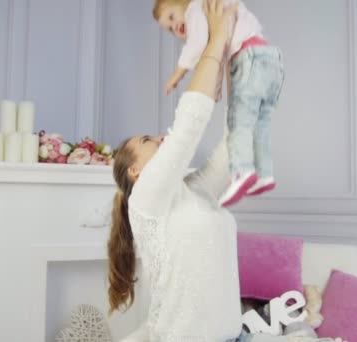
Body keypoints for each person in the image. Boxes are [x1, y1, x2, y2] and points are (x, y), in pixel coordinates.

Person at [108, 0, 243, 340]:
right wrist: (215, 39)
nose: (158, 136)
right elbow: (187, 128)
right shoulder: (144, 202)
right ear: (135, 171)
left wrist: (227, 57)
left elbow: (237, 142)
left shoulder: (193, 192)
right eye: (146, 139)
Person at [153, 0, 285, 207]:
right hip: (269, 57)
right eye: (170, 29)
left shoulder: (196, 9)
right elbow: (219, 53)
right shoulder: (215, 10)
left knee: (238, 121)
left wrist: (178, 74)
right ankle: (264, 174)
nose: (174, 27)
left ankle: (242, 171)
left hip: (248, 57)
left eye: (171, 16)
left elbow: (198, 44)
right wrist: (216, 88)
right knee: (260, 123)